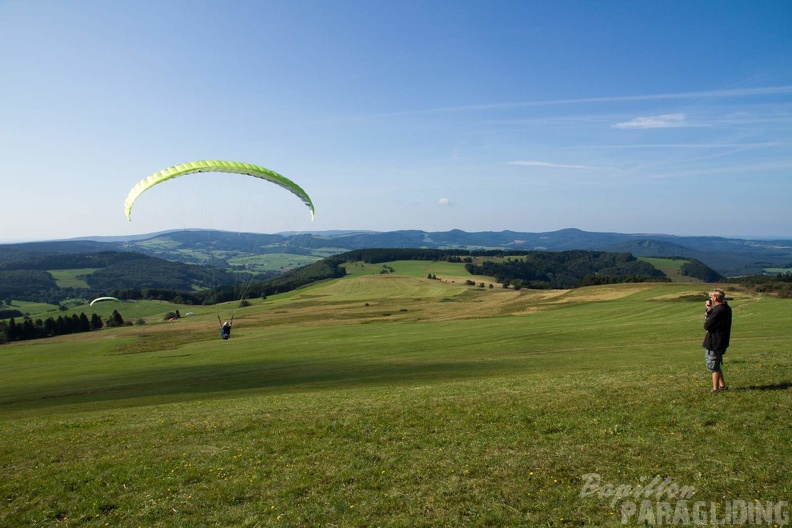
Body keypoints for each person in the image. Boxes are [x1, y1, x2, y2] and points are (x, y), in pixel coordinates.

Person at [703, 288, 732, 392]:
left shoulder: (718, 310)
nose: (710, 298)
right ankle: (722, 386)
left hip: (714, 342)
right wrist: (710, 309)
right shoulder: (726, 308)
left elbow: (707, 325)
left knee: (713, 366)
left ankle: (715, 389)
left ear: (715, 298)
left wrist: (709, 312)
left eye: (711, 297)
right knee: (717, 364)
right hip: (721, 341)